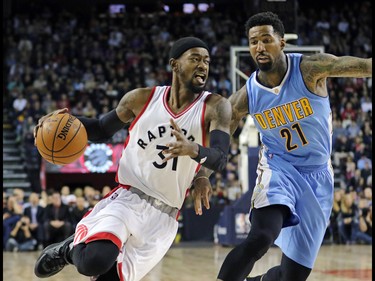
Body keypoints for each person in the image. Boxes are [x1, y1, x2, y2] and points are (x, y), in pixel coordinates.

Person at [33, 36, 231, 281]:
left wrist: (194, 151)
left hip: (165, 216)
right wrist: (59, 124)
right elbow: (100, 129)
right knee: (94, 261)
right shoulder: (140, 99)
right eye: (195, 59)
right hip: (128, 197)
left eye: (207, 61)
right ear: (175, 64)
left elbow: (221, 158)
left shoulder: (216, 106)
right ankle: (66, 250)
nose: (203, 65)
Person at [216, 11, 372, 281]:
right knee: (261, 237)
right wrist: (203, 174)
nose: (259, 47)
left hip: (318, 175)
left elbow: (363, 66)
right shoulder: (246, 96)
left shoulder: (310, 69)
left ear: (282, 42)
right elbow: (220, 134)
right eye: (253, 41)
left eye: (266, 39)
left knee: (292, 276)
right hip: (279, 168)